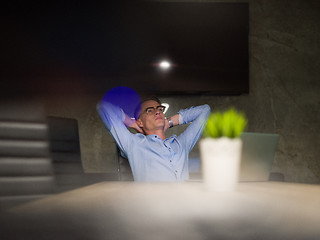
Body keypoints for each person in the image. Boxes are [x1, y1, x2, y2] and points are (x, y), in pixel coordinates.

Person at [97, 95, 210, 182]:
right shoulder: (134, 143)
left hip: (186, 206)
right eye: (149, 110)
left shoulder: (181, 144)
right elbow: (103, 107)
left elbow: (205, 110)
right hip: (153, 207)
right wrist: (133, 123)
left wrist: (169, 122)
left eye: (160, 109)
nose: (157, 112)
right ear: (140, 121)